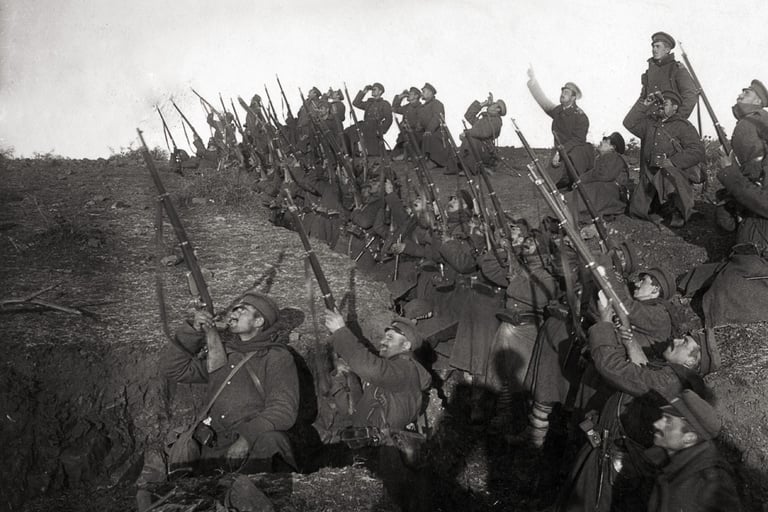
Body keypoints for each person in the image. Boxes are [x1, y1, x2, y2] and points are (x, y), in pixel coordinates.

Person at [136, 291, 299, 510]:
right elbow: (173, 369)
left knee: (272, 441)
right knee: (176, 450)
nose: (235, 311)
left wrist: (247, 438)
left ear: (259, 322)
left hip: (251, 450)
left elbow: (284, 410)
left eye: (244, 309)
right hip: (214, 446)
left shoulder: (276, 357)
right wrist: (193, 331)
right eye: (236, 307)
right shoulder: (224, 355)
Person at [648, 390, 742, 512]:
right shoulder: (670, 465)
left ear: (689, 438)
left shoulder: (709, 484)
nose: (657, 424)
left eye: (668, 421)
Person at [623, 89, 705, 227]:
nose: (660, 106)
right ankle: (660, 208)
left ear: (675, 107)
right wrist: (644, 104)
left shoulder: (683, 126)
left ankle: (678, 211)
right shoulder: (650, 124)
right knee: (636, 211)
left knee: (668, 174)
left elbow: (697, 150)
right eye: (659, 104)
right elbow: (629, 123)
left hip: (673, 174)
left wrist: (673, 161)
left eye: (665, 103)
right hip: (650, 174)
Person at [527, 67, 594, 188]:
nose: (563, 94)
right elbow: (543, 102)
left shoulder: (581, 117)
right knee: (546, 184)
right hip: (559, 153)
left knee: (561, 184)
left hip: (573, 155)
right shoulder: (558, 110)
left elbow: (578, 140)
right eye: (563, 92)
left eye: (567, 93)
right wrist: (533, 81)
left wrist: (560, 152)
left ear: (573, 98)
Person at [565, 131, 629, 235]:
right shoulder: (602, 158)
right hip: (606, 192)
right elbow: (594, 173)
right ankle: (569, 208)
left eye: (605, 142)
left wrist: (581, 180)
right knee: (584, 193)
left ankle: (568, 207)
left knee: (587, 192)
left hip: (612, 194)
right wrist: (580, 180)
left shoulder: (614, 157)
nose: (601, 142)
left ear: (612, 147)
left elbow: (604, 175)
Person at [639, 32, 698, 120]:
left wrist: (677, 119)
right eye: (653, 46)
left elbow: (690, 96)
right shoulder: (649, 73)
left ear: (667, 49)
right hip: (650, 124)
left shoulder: (677, 69)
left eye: (658, 46)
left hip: (670, 125)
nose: (654, 49)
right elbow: (643, 98)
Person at [445, 93, 506, 175]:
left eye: (492, 105)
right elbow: (468, 115)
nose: (489, 106)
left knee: (470, 140)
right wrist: (482, 104)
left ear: (498, 109)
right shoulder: (484, 119)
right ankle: (469, 167)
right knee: (468, 142)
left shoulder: (497, 121)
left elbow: (484, 132)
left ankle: (471, 170)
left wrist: (467, 133)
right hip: (479, 149)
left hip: (485, 150)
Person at [350, 82, 393, 157]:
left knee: (373, 151)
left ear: (380, 91)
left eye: (375, 89)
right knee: (351, 133)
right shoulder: (369, 103)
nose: (372, 91)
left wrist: (381, 130)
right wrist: (364, 92)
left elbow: (389, 119)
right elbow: (356, 103)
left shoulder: (385, 104)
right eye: (372, 89)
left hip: (375, 128)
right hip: (365, 126)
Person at [418, 82, 448, 168]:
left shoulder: (437, 104)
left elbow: (436, 118)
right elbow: (420, 120)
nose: (422, 93)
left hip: (437, 131)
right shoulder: (423, 106)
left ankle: (434, 160)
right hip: (427, 130)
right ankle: (422, 158)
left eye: (424, 91)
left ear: (431, 92)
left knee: (430, 136)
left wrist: (429, 130)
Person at [392, 87, 423, 160]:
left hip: (415, 136)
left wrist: (407, 125)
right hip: (404, 136)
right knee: (393, 156)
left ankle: (409, 155)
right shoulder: (407, 107)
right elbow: (394, 108)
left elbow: (420, 123)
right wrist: (400, 97)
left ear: (416, 96)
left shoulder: (421, 107)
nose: (408, 95)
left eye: (410, 93)